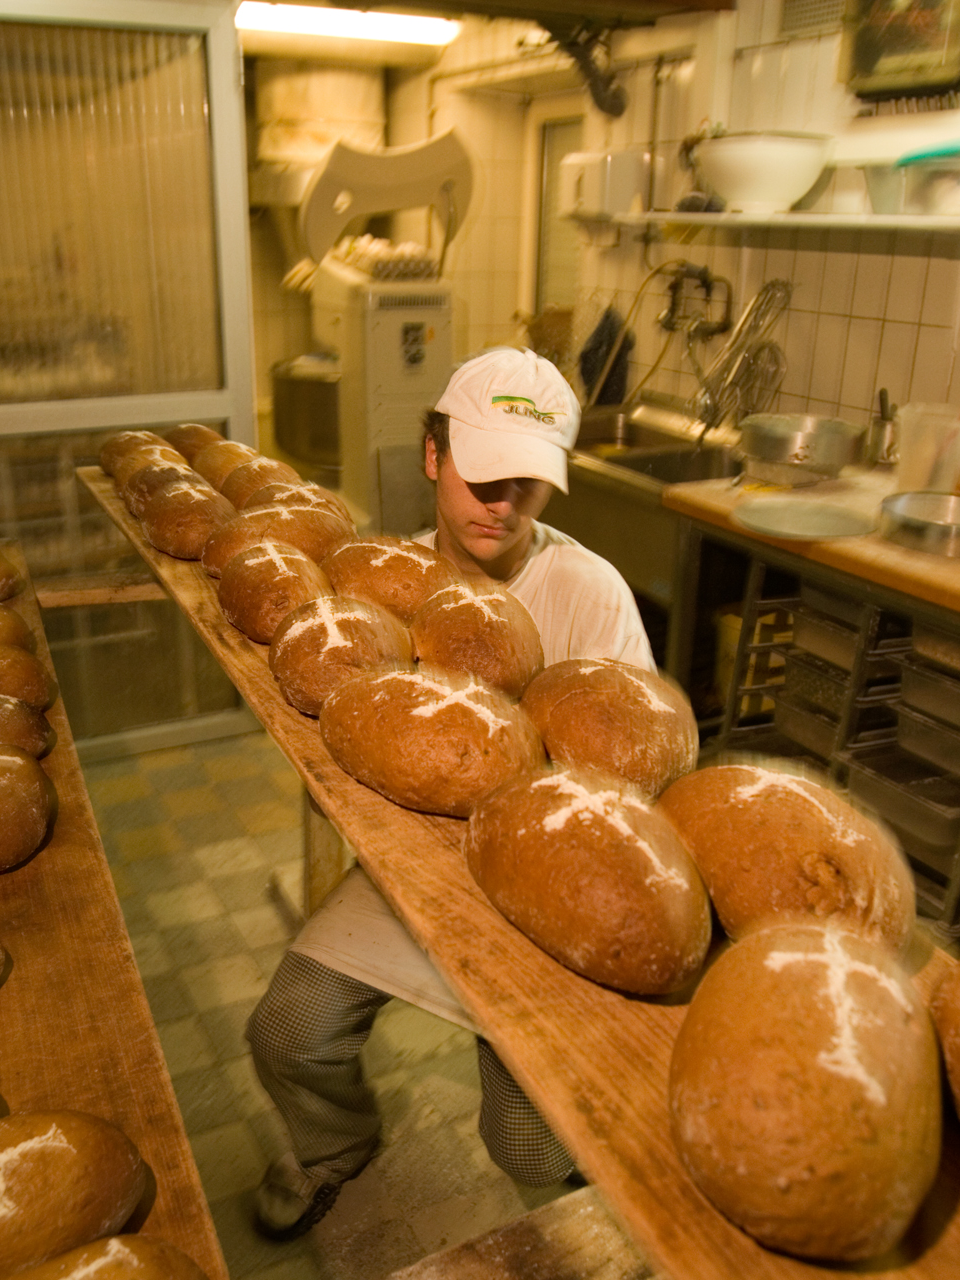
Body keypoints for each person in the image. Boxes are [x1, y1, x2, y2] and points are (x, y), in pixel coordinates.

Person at [245, 346, 656, 1240]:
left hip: (538, 901)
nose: (500, 502)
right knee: (287, 1032)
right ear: (434, 456)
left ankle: (595, 1157)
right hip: (415, 874)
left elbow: (636, 791)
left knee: (531, 1149)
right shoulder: (383, 588)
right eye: (481, 472)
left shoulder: (590, 595)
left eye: (527, 480)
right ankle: (334, 1144)